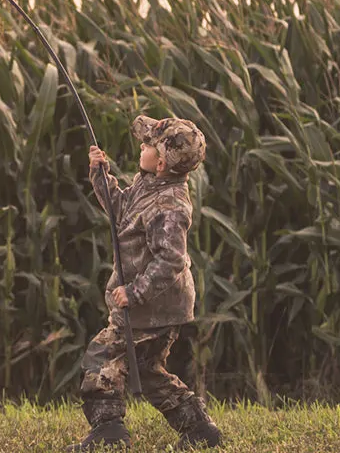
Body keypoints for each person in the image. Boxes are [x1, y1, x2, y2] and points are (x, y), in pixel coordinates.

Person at [73, 114, 223, 450]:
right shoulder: (149, 185)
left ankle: (109, 433)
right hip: (151, 306)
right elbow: (120, 211)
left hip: (154, 308)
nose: (141, 145)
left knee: (102, 355)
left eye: (147, 144)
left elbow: (170, 260)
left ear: (161, 163)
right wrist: (101, 175)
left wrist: (135, 292)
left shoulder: (170, 205)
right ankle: (199, 428)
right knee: (148, 370)